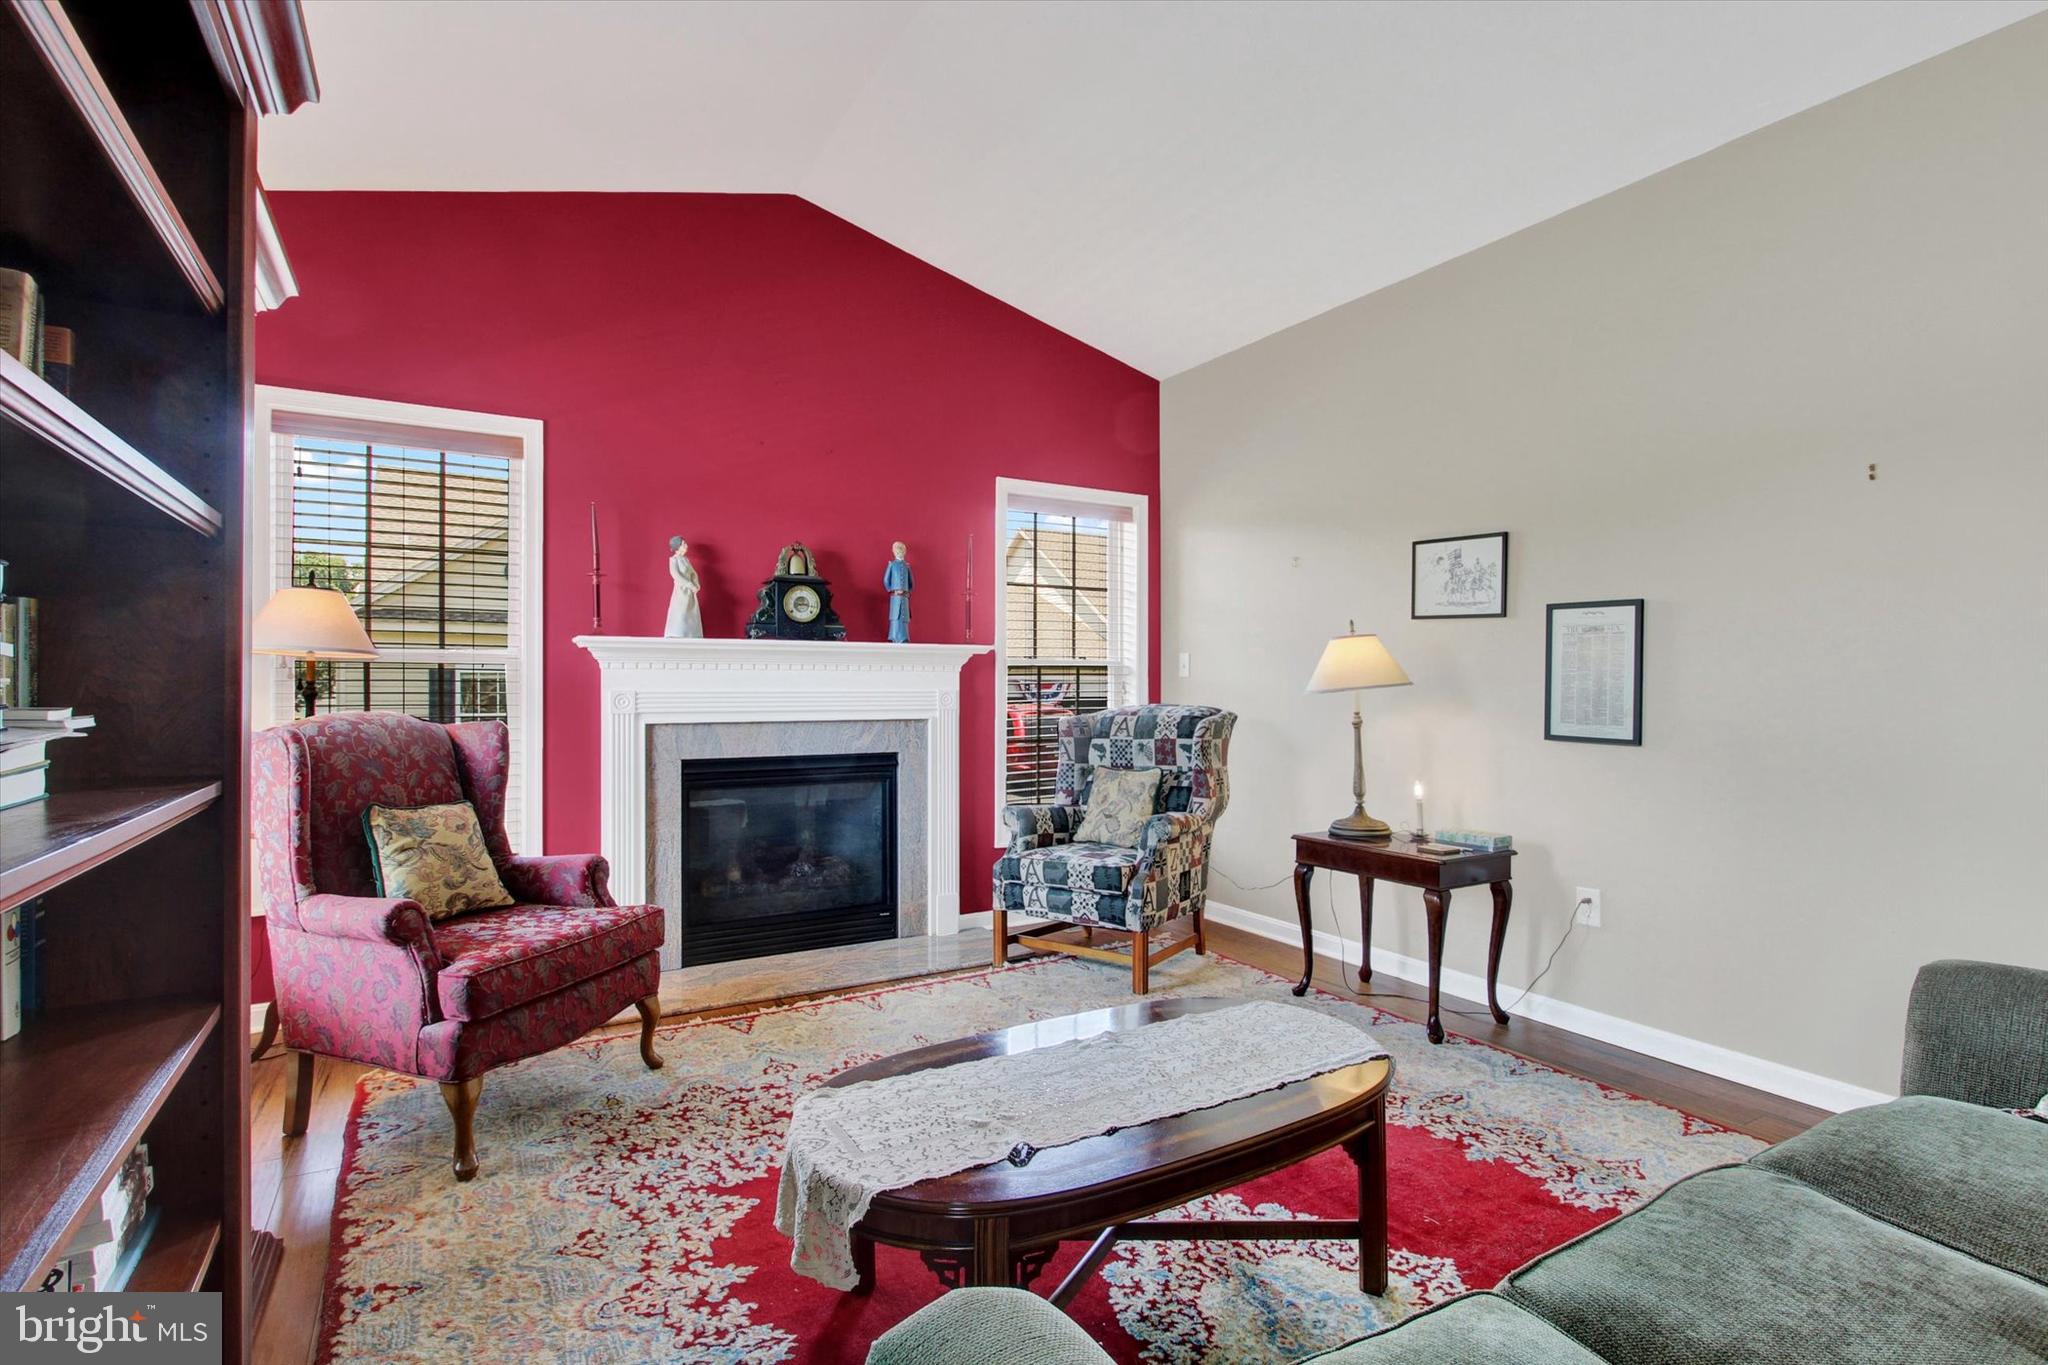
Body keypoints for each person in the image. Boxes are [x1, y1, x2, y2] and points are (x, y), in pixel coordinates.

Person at [664, 536, 703, 638]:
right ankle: (677, 634)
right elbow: (676, 576)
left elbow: (693, 573)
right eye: (684, 544)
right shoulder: (673, 560)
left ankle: (692, 634)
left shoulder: (685, 560)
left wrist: (696, 584)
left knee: (691, 613)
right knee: (680, 612)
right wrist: (689, 585)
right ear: (678, 546)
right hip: (681, 591)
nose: (686, 546)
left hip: (690, 592)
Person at [884, 541, 913, 642]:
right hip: (895, 597)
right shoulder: (891, 565)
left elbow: (911, 582)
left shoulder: (907, 566)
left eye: (901, 550)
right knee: (895, 618)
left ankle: (904, 638)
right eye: (897, 550)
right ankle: (893, 637)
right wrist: (892, 591)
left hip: (904, 598)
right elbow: (886, 580)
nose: (899, 552)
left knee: (903, 619)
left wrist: (907, 592)